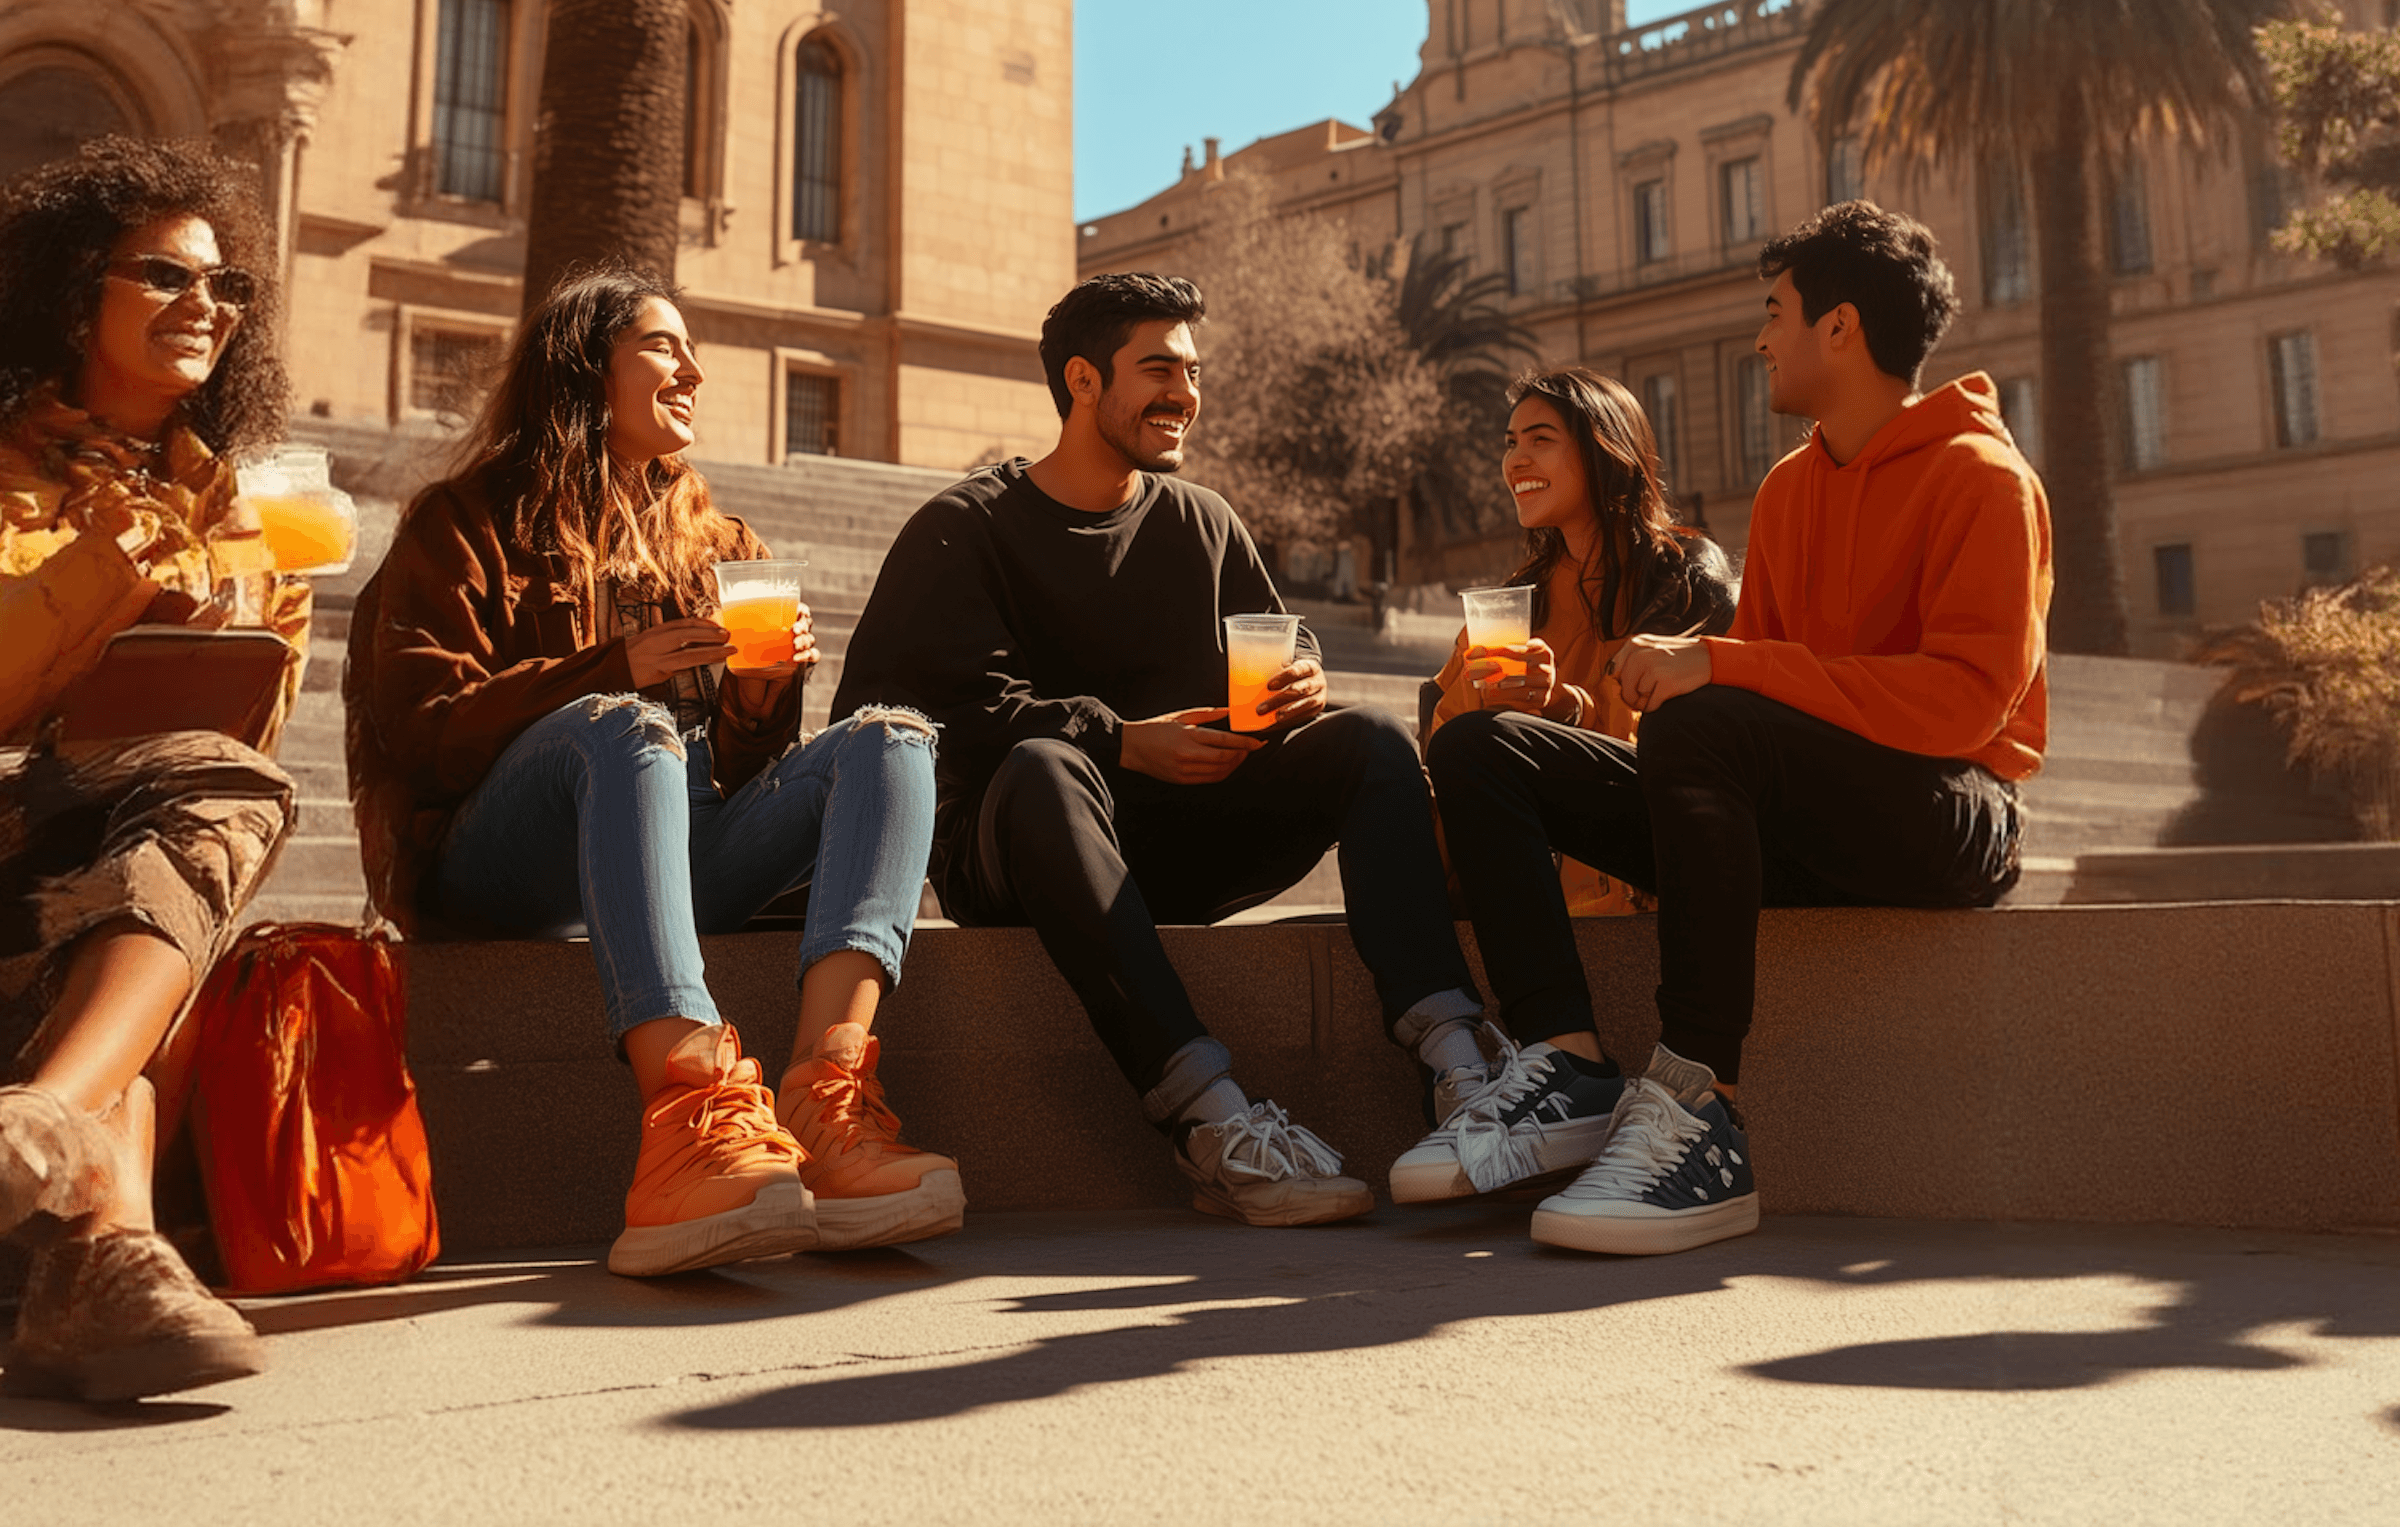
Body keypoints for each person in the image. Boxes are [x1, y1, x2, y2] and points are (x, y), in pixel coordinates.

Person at [1427, 203, 2045, 1254]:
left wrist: (1717, 662)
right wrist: (1582, 718)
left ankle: (1700, 1113)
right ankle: (1569, 1064)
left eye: (1775, 312)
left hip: (1951, 815)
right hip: (1800, 816)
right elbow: (1749, 716)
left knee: (1706, 707)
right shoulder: (1792, 487)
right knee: (1482, 749)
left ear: (1839, 328)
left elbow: (1961, 706)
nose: (1760, 337)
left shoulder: (1983, 478)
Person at [834, 272, 1498, 1225]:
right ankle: (1210, 1119)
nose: (1185, 393)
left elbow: (1274, 636)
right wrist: (1118, 742)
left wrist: (1301, 675)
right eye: (1159, 369)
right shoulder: (964, 529)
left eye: (1192, 371)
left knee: (1372, 739)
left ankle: (1461, 1068)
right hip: (1022, 855)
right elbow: (900, 715)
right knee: (1046, 765)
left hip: (1183, 842)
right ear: (1084, 380)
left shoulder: (1203, 521)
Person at [345, 269, 959, 1275]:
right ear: (587, 368)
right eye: (665, 347)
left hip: (682, 846)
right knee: (625, 730)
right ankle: (684, 1120)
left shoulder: (723, 544)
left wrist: (759, 699)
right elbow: (422, 731)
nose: (695, 371)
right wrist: (610, 670)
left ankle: (828, 1102)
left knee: (894, 739)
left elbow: (746, 766)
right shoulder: (463, 521)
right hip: (497, 859)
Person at [0, 139, 308, 1402]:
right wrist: (107, 563)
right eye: (166, 276)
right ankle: (63, 1140)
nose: (207, 306)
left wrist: (217, 632)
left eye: (228, 286)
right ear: (77, 293)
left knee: (203, 831)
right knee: (198, 847)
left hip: (126, 850)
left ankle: (102, 1243)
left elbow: (253, 735)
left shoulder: (238, 504)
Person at [1390, 366, 1735, 1206]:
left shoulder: (1687, 576)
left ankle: (1565, 1076)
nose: (1515, 460)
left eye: (1540, 439)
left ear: (1604, 450)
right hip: (1518, 870)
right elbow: (1446, 741)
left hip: (1638, 856)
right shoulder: (1509, 603)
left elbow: (1696, 752)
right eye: (1509, 443)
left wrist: (1565, 707)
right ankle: (1512, 1070)